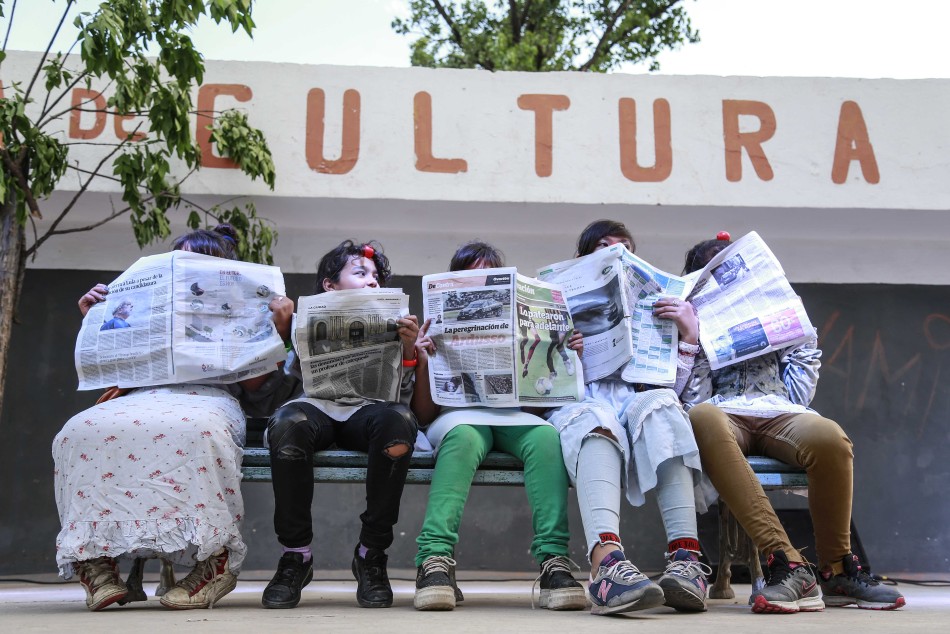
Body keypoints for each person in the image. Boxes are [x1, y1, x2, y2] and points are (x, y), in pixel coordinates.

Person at [54, 225, 295, 611]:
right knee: (78, 431)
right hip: (140, 395)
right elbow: (116, 366)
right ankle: (95, 561)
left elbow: (259, 393)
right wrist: (95, 318)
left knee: (197, 432)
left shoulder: (251, 304)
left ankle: (213, 563)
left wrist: (280, 332)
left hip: (210, 399)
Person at [680, 233, 906, 613]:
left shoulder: (773, 309)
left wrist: (799, 336)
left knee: (830, 437)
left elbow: (799, 395)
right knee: (702, 417)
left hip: (778, 410)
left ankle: (838, 571)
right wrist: (695, 337)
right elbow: (693, 400)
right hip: (723, 412)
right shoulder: (689, 320)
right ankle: (787, 563)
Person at [547, 219, 716, 615]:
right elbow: (541, 387)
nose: (615, 252)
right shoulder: (556, 298)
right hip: (583, 397)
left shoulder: (653, 302)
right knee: (594, 424)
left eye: (624, 247)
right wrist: (567, 357)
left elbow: (674, 391)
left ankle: (687, 562)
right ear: (583, 257)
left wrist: (688, 338)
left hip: (636, 396)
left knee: (664, 409)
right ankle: (606, 567)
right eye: (603, 245)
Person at [409, 241, 586, 612]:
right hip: (456, 417)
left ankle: (554, 562)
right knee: (463, 437)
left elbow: (540, 406)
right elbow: (424, 416)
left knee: (546, 437)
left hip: (513, 416)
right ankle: (434, 560)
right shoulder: (433, 324)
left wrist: (564, 354)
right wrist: (424, 360)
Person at [261, 240, 421, 610]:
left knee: (399, 423)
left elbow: (405, 399)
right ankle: (295, 556)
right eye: (360, 273)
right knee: (288, 425)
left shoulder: (396, 322)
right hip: (314, 407)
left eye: (376, 278)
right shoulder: (306, 318)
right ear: (330, 286)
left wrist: (410, 351)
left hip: (370, 411)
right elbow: (278, 391)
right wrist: (286, 337)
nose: (372, 282)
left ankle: (371, 554)